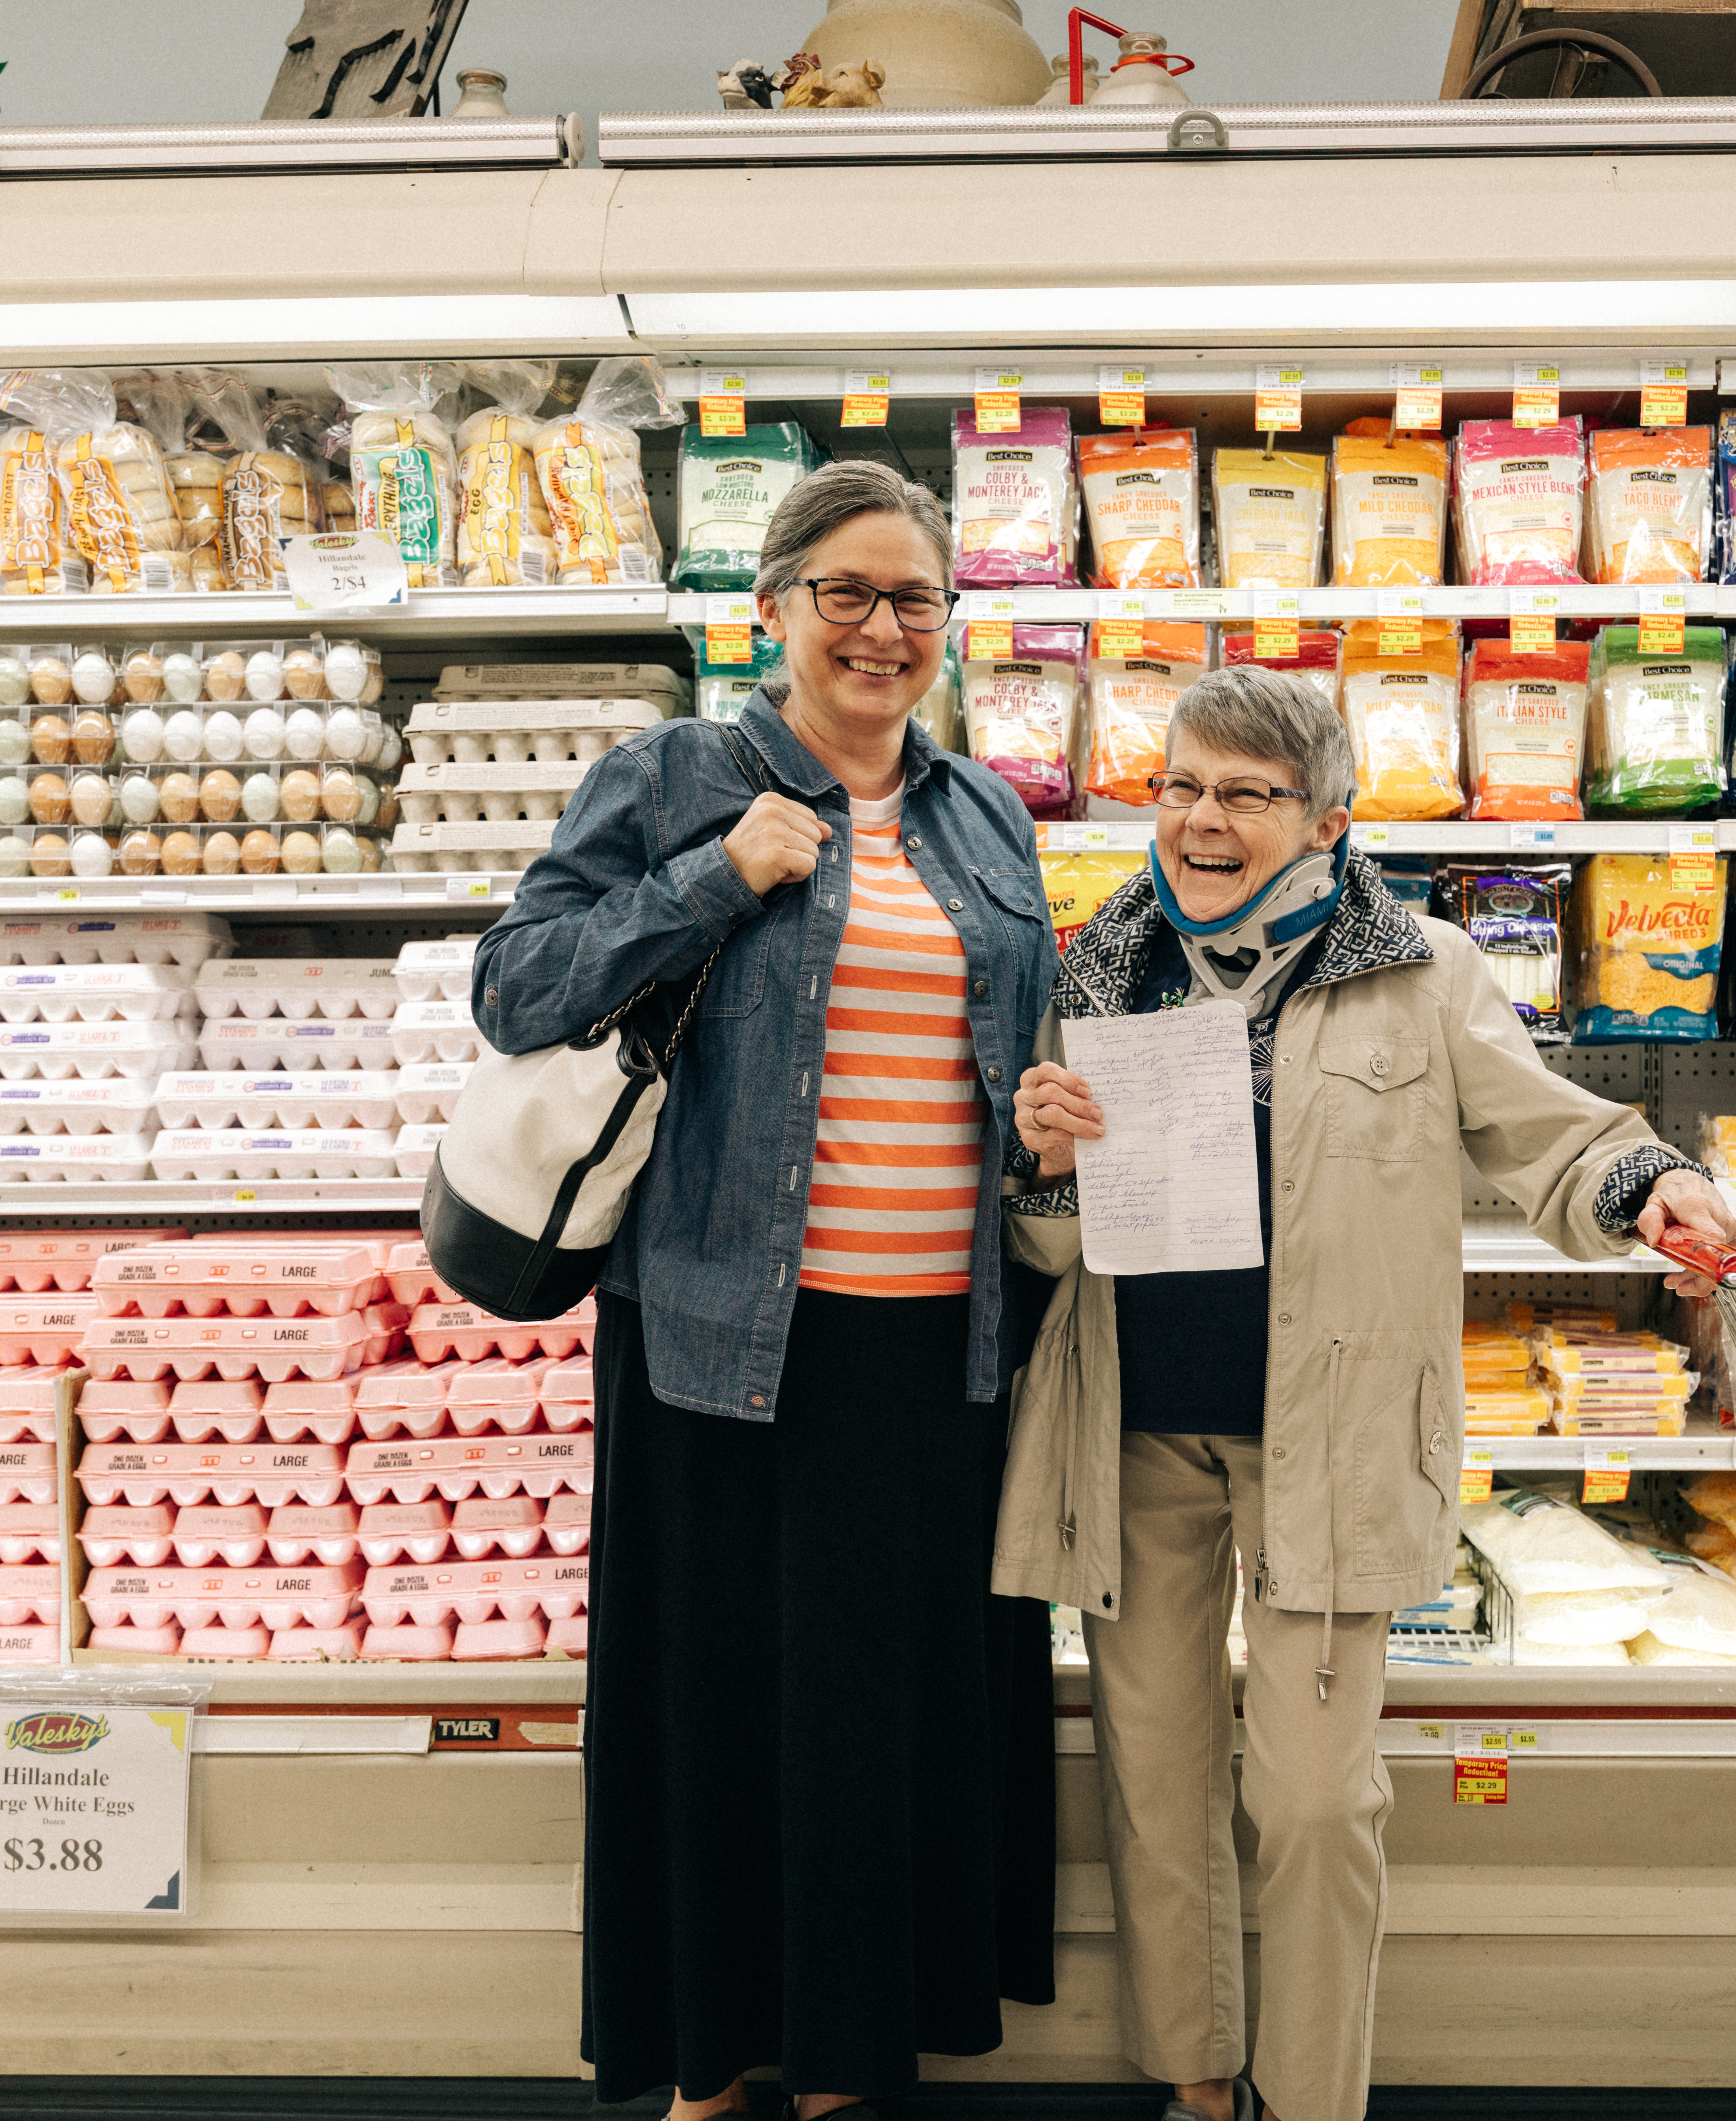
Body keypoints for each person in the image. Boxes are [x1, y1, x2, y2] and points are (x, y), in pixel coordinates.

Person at [996, 665, 1736, 2121]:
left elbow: (1552, 1140)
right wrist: (1043, 1164)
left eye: (1248, 796)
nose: (1205, 823)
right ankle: (1200, 2082)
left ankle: (1313, 2100)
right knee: (1157, 1788)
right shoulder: (1100, 964)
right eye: (1182, 787)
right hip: (1135, 1430)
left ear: (1330, 818)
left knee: (1319, 1800)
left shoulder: (1423, 970)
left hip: (1327, 1443)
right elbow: (1043, 1238)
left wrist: (1654, 1188)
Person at [471, 460, 1061, 2121]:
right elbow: (515, 986)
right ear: (774, 608)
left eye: (916, 601)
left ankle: (847, 2060)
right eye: (848, 595)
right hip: (722, 1332)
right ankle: (709, 2057)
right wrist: (715, 876)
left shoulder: (985, 812)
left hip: (937, 1345)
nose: (884, 630)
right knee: (718, 1703)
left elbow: (998, 1045)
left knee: (880, 1714)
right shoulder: (672, 777)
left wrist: (1046, 1122)